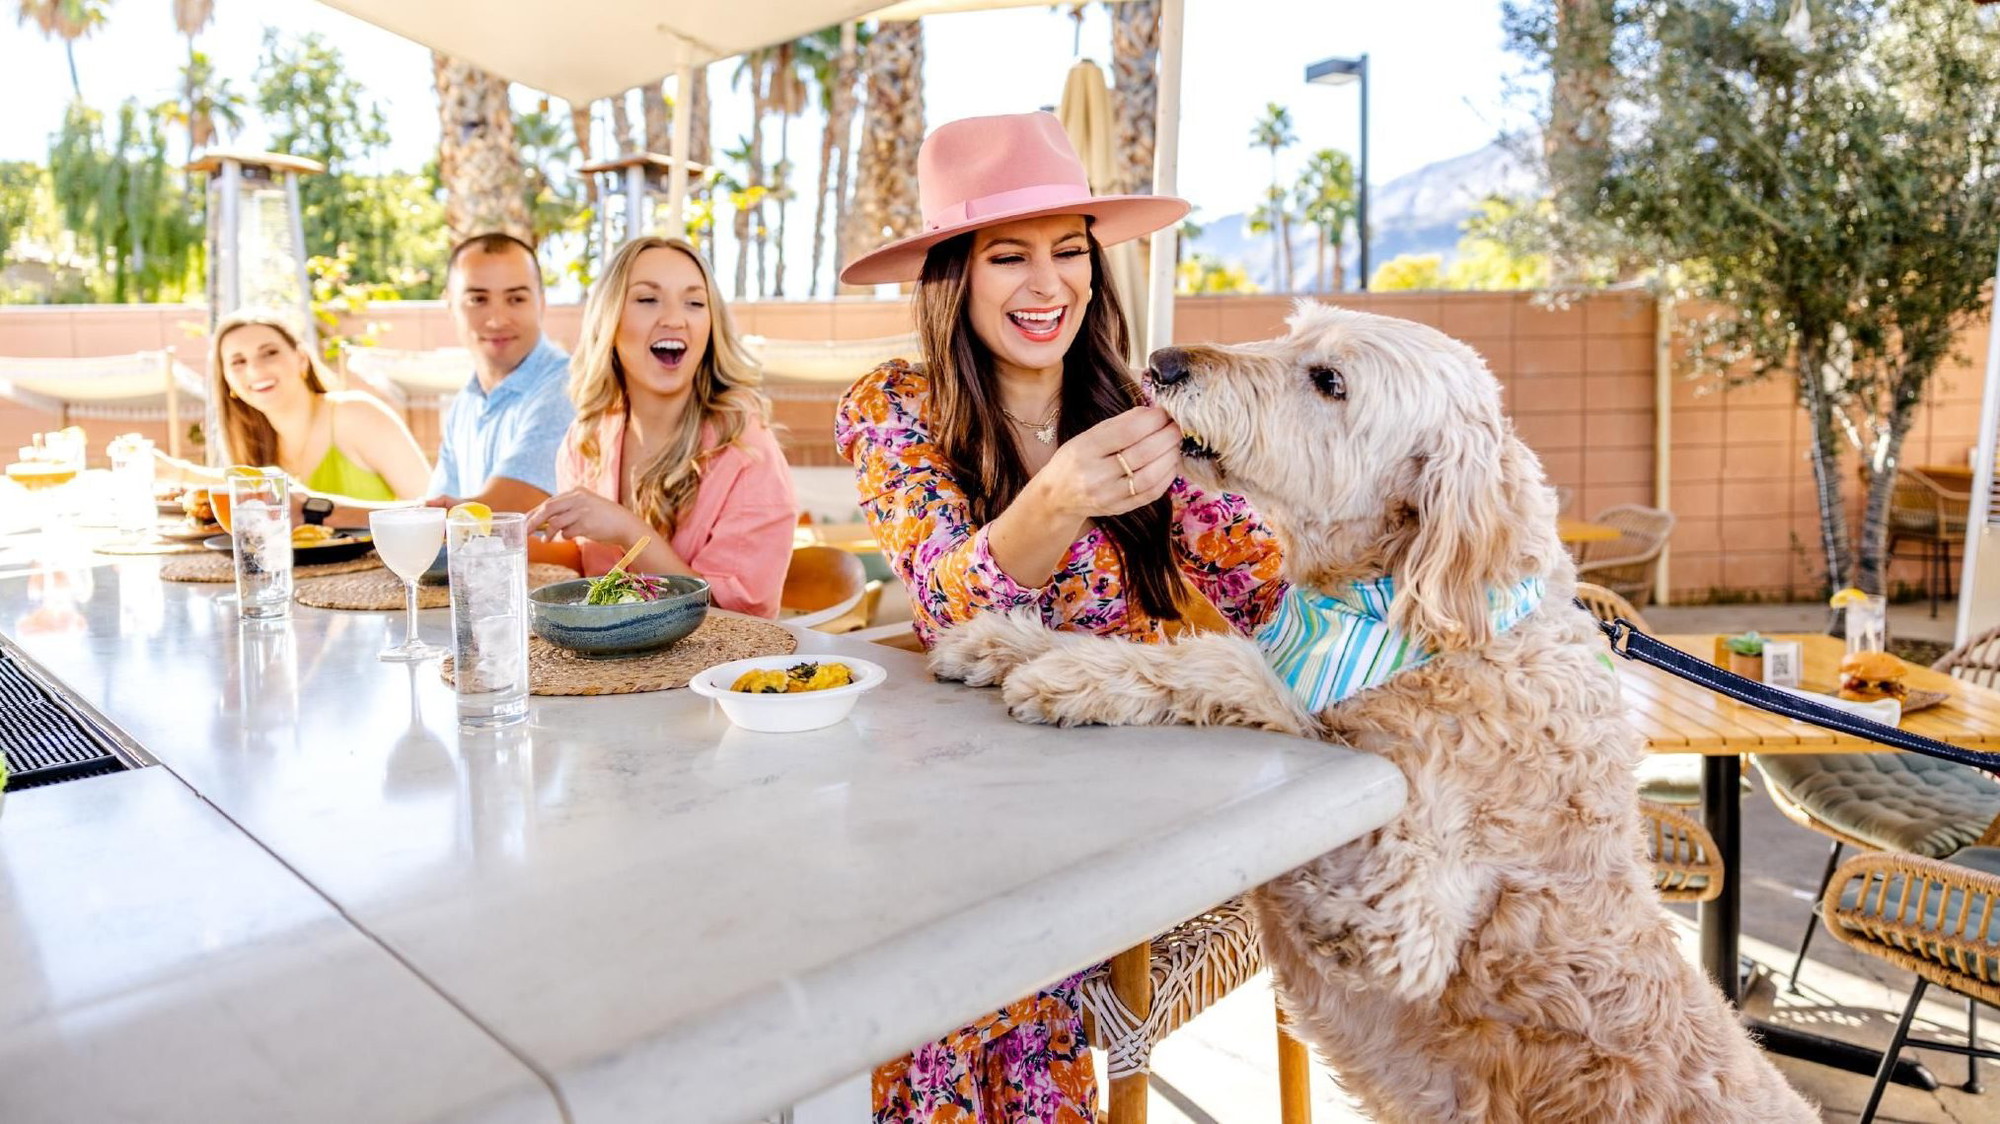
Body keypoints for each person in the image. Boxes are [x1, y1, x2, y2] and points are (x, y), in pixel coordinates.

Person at [834, 113, 1287, 1120]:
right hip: (944, 790)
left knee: (969, 951)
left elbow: (1265, 585)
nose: (1047, 285)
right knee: (927, 950)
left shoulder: (1143, 408)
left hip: (1106, 792)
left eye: (1068, 251)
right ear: (954, 273)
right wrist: (1055, 498)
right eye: (1008, 257)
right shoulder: (892, 406)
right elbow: (948, 608)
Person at [527, 236, 795, 618]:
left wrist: (628, 530)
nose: (674, 318)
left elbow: (738, 620)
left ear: (711, 326)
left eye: (695, 303)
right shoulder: (586, 440)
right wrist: (497, 532)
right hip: (609, 669)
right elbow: (587, 565)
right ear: (610, 320)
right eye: (647, 299)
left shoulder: (747, 451)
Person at [183, 309, 429, 501]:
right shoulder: (251, 445)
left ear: (302, 359)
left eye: (269, 353)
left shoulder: (354, 415)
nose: (255, 369)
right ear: (228, 382)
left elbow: (432, 509)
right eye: (238, 361)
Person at [427, 232, 575, 512]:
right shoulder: (466, 402)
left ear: (541, 303)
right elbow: (436, 512)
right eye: (478, 300)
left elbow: (493, 516)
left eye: (516, 299)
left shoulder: (568, 388)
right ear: (450, 306)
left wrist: (329, 512)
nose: (497, 320)